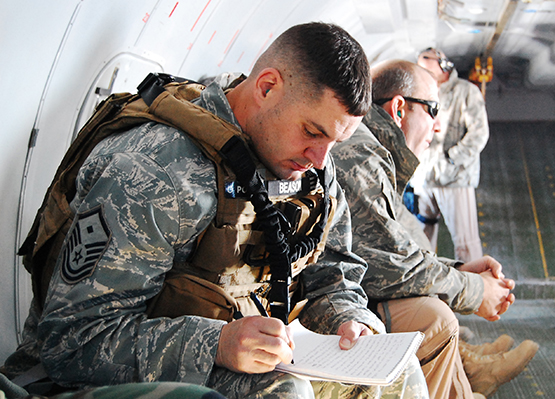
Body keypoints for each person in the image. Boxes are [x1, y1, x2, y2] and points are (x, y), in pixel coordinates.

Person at [1, 23, 428, 399]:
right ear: (266, 87)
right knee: (282, 392)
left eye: (336, 142)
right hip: (81, 381)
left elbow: (332, 272)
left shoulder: (312, 170)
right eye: (312, 132)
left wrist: (348, 320)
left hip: (256, 353)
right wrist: (217, 345)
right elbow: (73, 342)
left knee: (395, 378)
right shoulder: (157, 172)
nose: (320, 159)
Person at [331, 59, 539, 399]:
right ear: (399, 107)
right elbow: (390, 267)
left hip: (347, 289)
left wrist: (458, 271)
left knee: (431, 297)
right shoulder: (363, 156)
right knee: (433, 315)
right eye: (433, 109)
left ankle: (470, 372)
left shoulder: (376, 153)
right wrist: (476, 290)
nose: (438, 125)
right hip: (332, 302)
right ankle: (471, 377)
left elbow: (396, 253)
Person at [410, 48, 489, 263]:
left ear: (444, 66)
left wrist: (451, 159)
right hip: (424, 179)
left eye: (427, 68)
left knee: (466, 244)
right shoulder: (421, 92)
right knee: (420, 242)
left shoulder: (466, 92)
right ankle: (423, 291)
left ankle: (476, 294)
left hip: (455, 180)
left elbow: (479, 133)